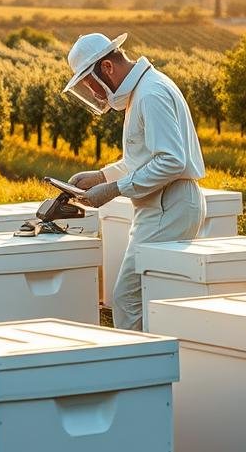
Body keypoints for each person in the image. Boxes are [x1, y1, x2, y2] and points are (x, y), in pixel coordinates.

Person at [61, 32, 206, 331]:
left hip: (169, 205)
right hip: (164, 205)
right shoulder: (144, 91)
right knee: (153, 294)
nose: (96, 95)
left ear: (107, 69)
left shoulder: (150, 94)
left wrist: (114, 189)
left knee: (128, 298)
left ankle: (143, 371)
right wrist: (102, 176)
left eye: (91, 85)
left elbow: (171, 161)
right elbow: (144, 159)